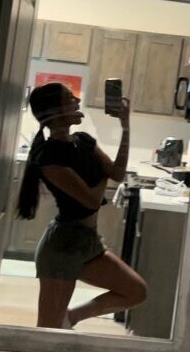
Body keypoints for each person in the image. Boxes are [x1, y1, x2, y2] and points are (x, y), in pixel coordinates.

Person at [17, 81, 146, 329]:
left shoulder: (84, 140)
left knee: (136, 291)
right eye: (69, 98)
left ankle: (71, 318)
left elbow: (117, 173)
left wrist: (125, 127)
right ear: (55, 111)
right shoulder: (49, 156)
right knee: (47, 330)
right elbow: (91, 200)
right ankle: (59, 328)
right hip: (62, 247)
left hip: (88, 242)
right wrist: (102, 174)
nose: (77, 101)